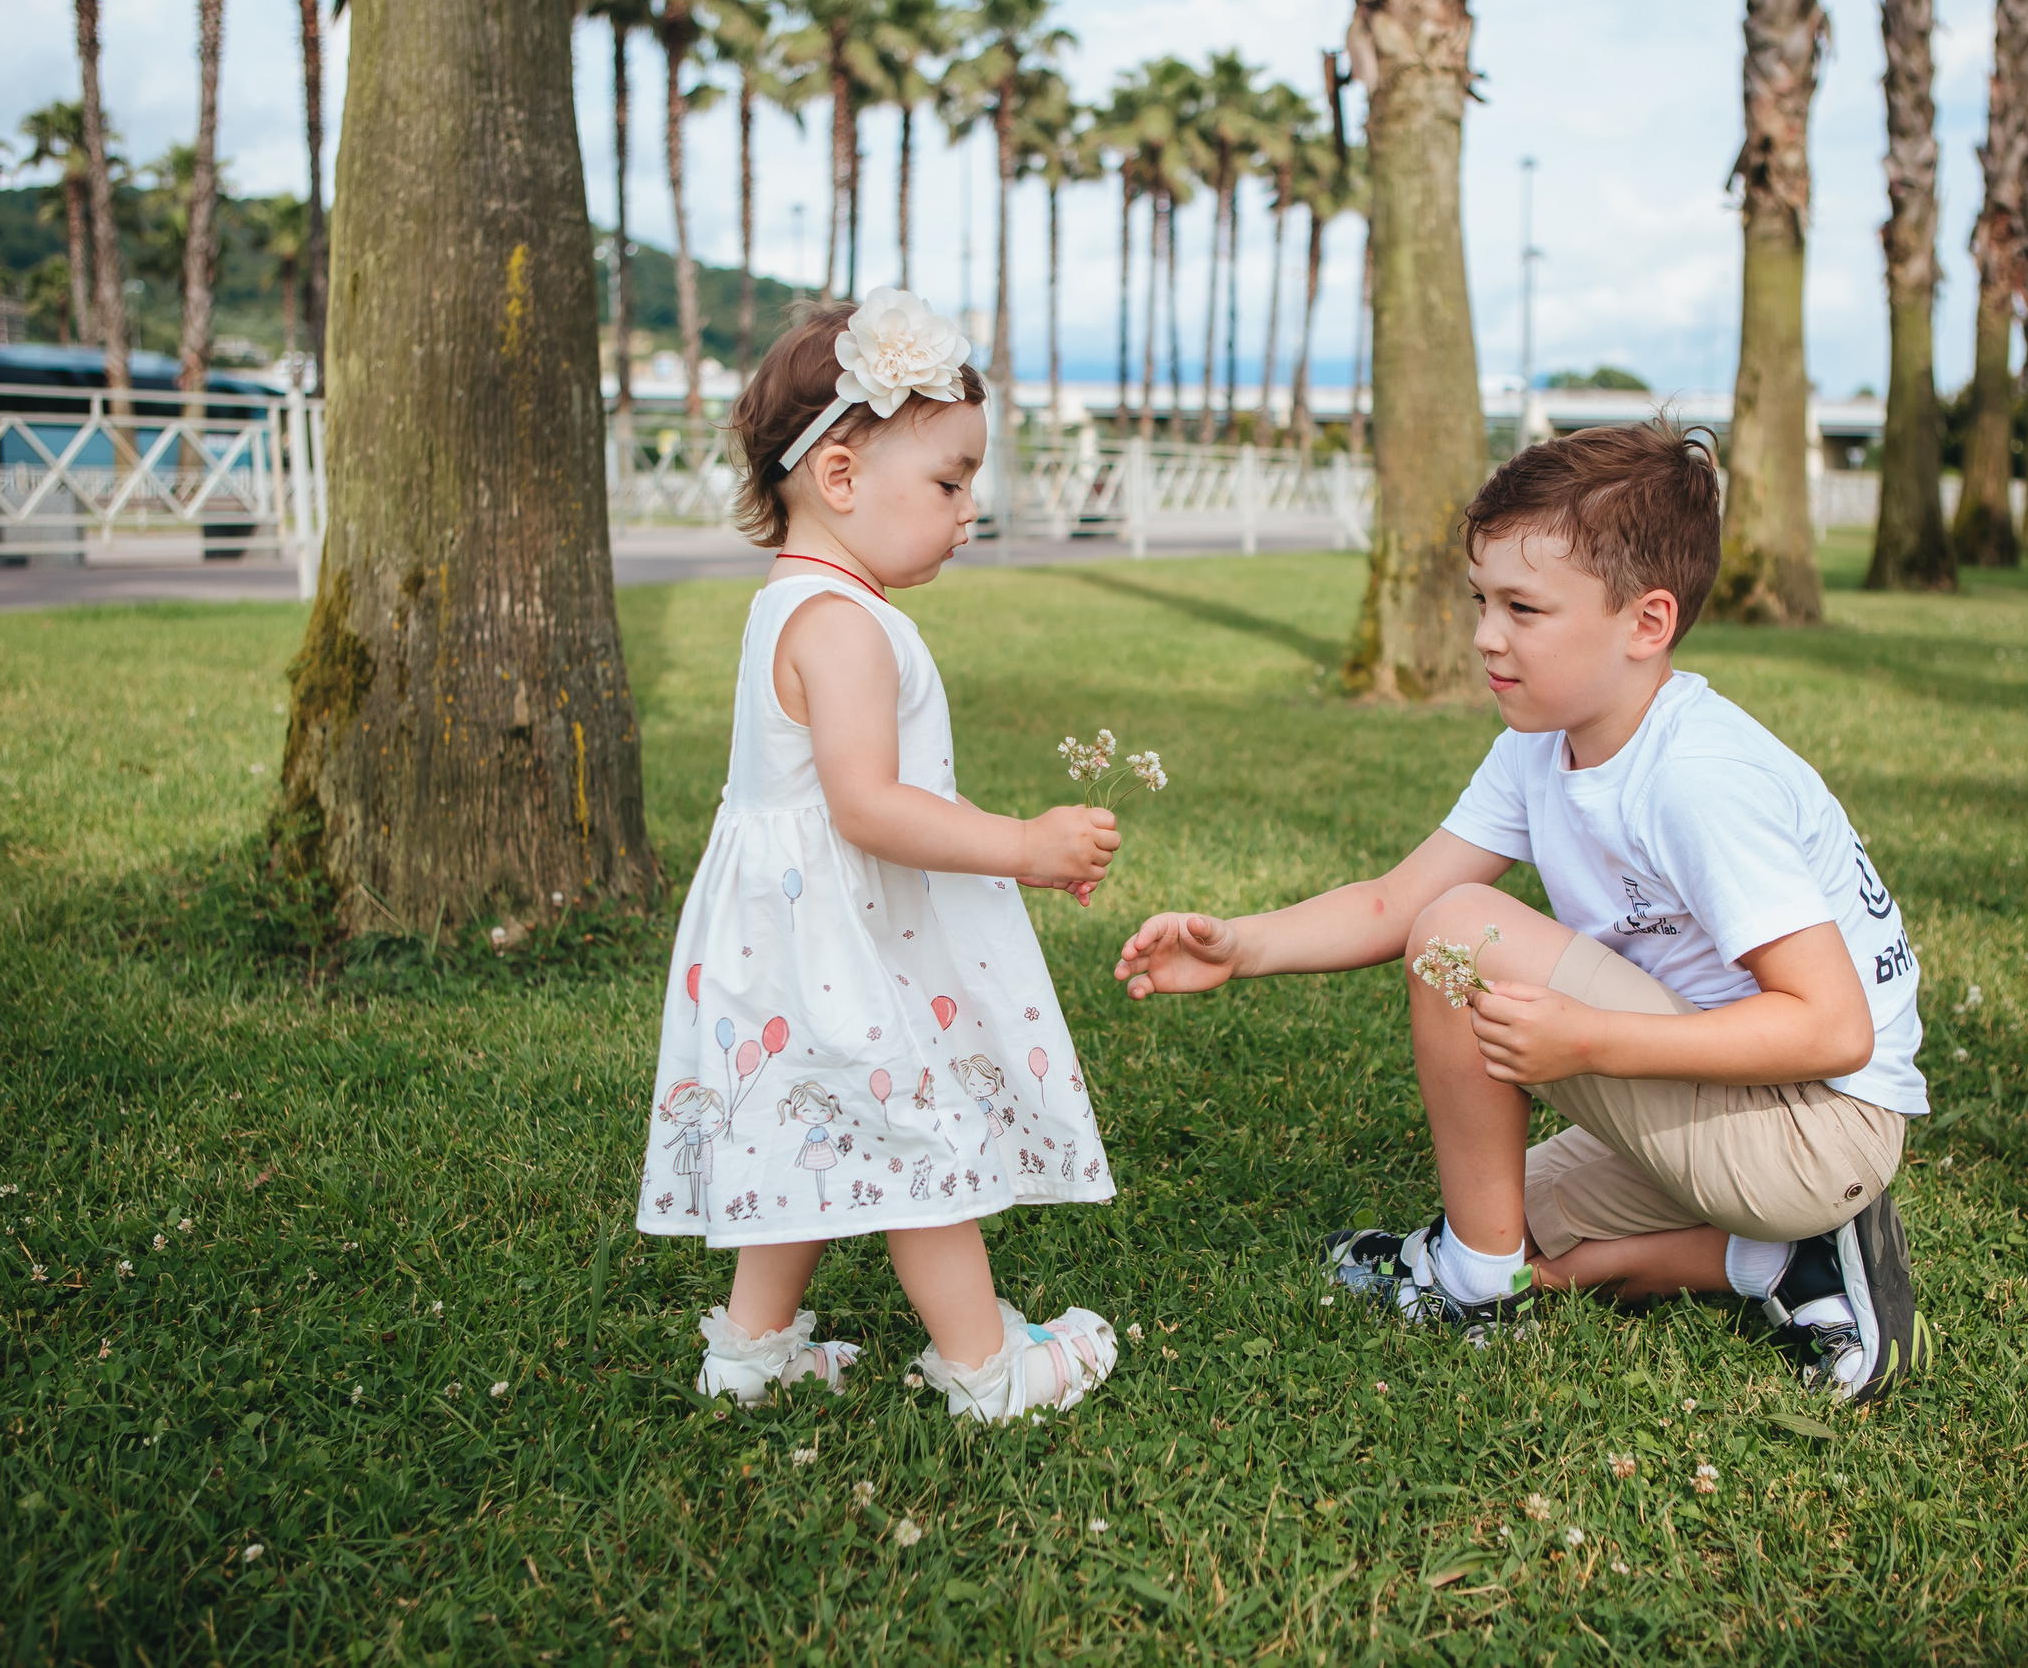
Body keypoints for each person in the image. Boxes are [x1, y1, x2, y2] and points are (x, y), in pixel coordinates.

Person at [1114, 419, 1933, 1401]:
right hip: (1745, 1112)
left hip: (1818, 1123)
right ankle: (1776, 1262)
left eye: (1523, 608)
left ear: (1646, 622)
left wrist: (1590, 1040)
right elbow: (1390, 900)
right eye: (1480, 600)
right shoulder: (1546, 739)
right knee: (1512, 1209)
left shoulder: (1697, 778)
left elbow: (1832, 1028)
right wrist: (1241, 947)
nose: (1484, 636)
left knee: (1467, 935)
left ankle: (1476, 1291)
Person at [636, 289, 1118, 1422]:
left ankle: (751, 1352)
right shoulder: (843, 624)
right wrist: (1023, 846)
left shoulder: (792, 603)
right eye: (949, 482)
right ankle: (987, 1364)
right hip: (841, 941)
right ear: (841, 479)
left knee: (815, 1124)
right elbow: (865, 805)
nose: (968, 510)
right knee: (921, 1130)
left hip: (800, 937)